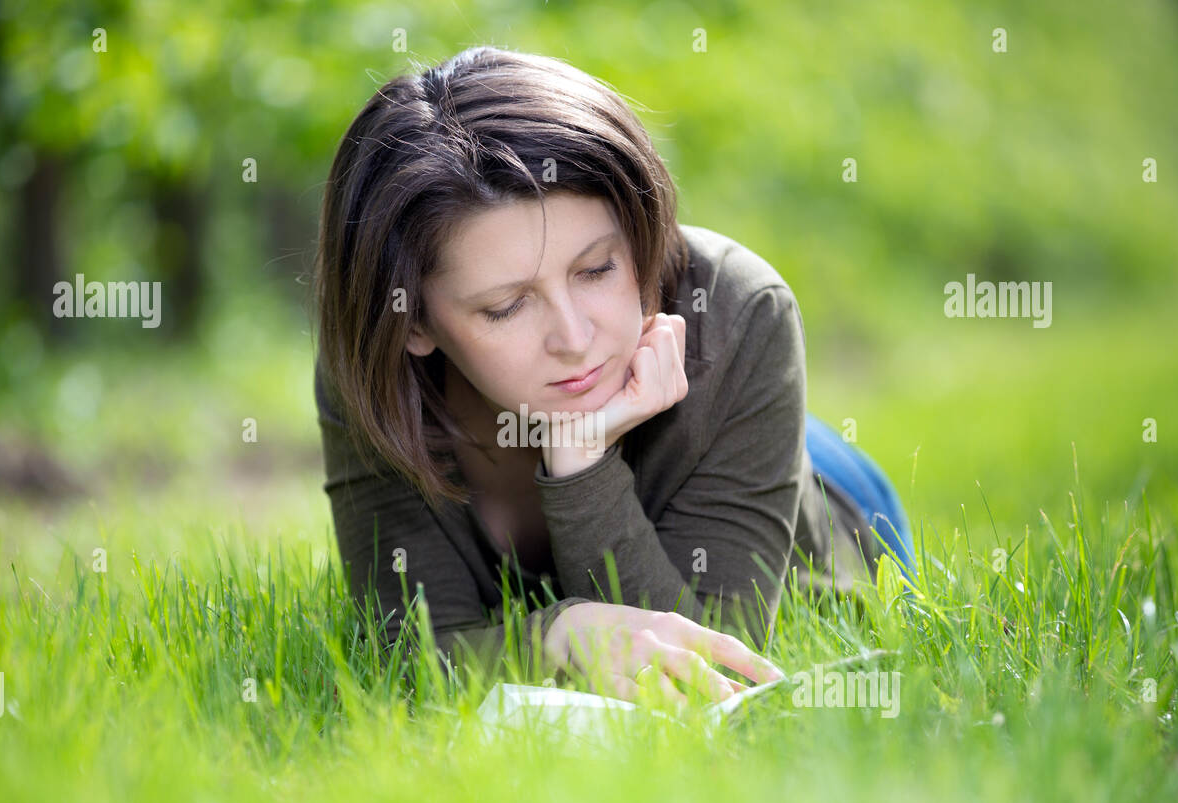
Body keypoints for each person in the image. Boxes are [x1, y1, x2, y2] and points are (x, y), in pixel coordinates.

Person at [312, 45, 916, 705]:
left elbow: (715, 672)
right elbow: (412, 654)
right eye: (504, 307)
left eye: (597, 269)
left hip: (820, 480)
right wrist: (560, 636)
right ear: (414, 324)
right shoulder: (374, 366)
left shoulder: (742, 311)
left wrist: (580, 466)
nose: (574, 339)